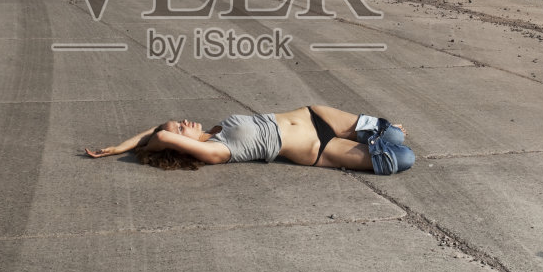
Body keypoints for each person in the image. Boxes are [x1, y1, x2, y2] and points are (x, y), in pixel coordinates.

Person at [85, 105, 414, 175]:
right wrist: (137, 146)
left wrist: (118, 146)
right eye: (181, 128)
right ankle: (377, 141)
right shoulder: (215, 151)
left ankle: (380, 135)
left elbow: (152, 134)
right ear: (176, 144)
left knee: (396, 134)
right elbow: (156, 136)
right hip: (319, 149)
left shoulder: (214, 130)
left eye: (180, 120)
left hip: (317, 116)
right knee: (403, 158)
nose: (185, 121)